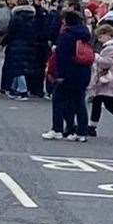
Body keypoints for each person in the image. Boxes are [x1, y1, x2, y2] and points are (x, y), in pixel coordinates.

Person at [43, 9, 91, 142]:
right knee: (79, 102)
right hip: (83, 72)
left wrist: (60, 75)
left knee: (57, 99)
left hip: (69, 73)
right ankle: (81, 133)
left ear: (67, 21)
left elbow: (62, 57)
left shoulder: (67, 35)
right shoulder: (85, 33)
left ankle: (57, 129)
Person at [2, 0, 39, 100]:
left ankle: (22, 91)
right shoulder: (33, 17)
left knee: (18, 69)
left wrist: (4, 42)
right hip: (29, 45)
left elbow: (11, 32)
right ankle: (14, 89)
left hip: (16, 44)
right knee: (22, 68)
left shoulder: (16, 18)